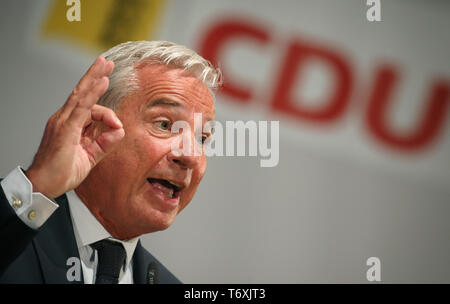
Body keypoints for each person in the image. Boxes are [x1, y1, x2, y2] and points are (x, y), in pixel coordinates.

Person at [0, 40, 221, 284]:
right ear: (93, 126)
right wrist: (39, 187)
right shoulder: (12, 230)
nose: (190, 156)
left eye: (202, 138)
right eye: (164, 124)